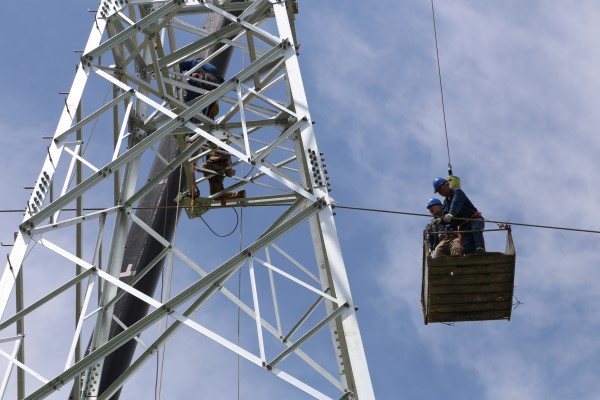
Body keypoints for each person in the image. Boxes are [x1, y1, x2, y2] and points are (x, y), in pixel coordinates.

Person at [179, 58, 245, 204]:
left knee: (210, 134)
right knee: (212, 132)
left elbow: (180, 66)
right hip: (204, 94)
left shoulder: (196, 65)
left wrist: (180, 79)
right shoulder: (207, 68)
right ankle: (217, 182)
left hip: (197, 90)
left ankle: (217, 185)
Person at [432, 177, 485, 255]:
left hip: (474, 219)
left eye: (440, 189)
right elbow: (446, 217)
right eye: (438, 191)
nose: (440, 192)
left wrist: (451, 214)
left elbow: (456, 204)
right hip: (463, 225)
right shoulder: (446, 203)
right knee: (466, 245)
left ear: (446, 184)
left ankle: (481, 249)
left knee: (476, 229)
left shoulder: (457, 192)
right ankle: (470, 258)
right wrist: (441, 220)